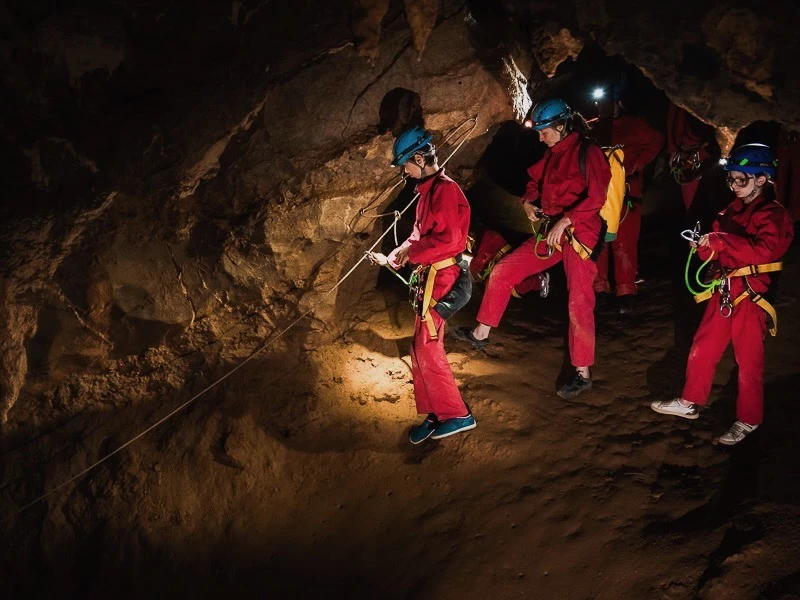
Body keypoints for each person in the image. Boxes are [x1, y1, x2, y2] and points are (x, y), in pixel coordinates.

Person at [453, 99, 611, 399]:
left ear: (561, 126)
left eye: (544, 131)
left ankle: (582, 372)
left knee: (578, 301)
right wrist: (527, 202)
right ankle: (480, 333)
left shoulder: (588, 152)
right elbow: (534, 181)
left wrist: (567, 220)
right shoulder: (551, 153)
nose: (540, 138)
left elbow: (597, 196)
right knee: (502, 271)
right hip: (552, 232)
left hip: (581, 233)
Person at [651, 144, 794, 445]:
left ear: (761, 179)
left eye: (741, 179)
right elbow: (715, 251)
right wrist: (703, 246)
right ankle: (690, 401)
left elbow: (765, 251)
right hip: (724, 290)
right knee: (703, 347)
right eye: (731, 179)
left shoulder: (775, 215)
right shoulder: (730, 210)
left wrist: (720, 240)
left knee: (748, 361)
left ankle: (750, 419)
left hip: (750, 296)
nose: (734, 185)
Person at [368, 126, 476, 443]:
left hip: (443, 277)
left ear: (419, 158)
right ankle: (436, 412)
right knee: (419, 347)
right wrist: (394, 256)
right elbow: (418, 236)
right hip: (431, 277)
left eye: (406, 164)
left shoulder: (445, 191)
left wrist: (411, 253)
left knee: (427, 346)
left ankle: (458, 414)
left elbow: (449, 240)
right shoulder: (428, 193)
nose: (405, 171)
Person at [594, 96, 664, 313]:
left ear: (618, 103)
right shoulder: (593, 128)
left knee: (624, 240)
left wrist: (637, 163)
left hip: (627, 190)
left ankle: (625, 291)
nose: (603, 107)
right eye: (599, 103)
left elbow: (656, 141)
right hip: (599, 193)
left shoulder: (634, 125)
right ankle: (599, 288)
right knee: (598, 240)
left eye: (607, 102)